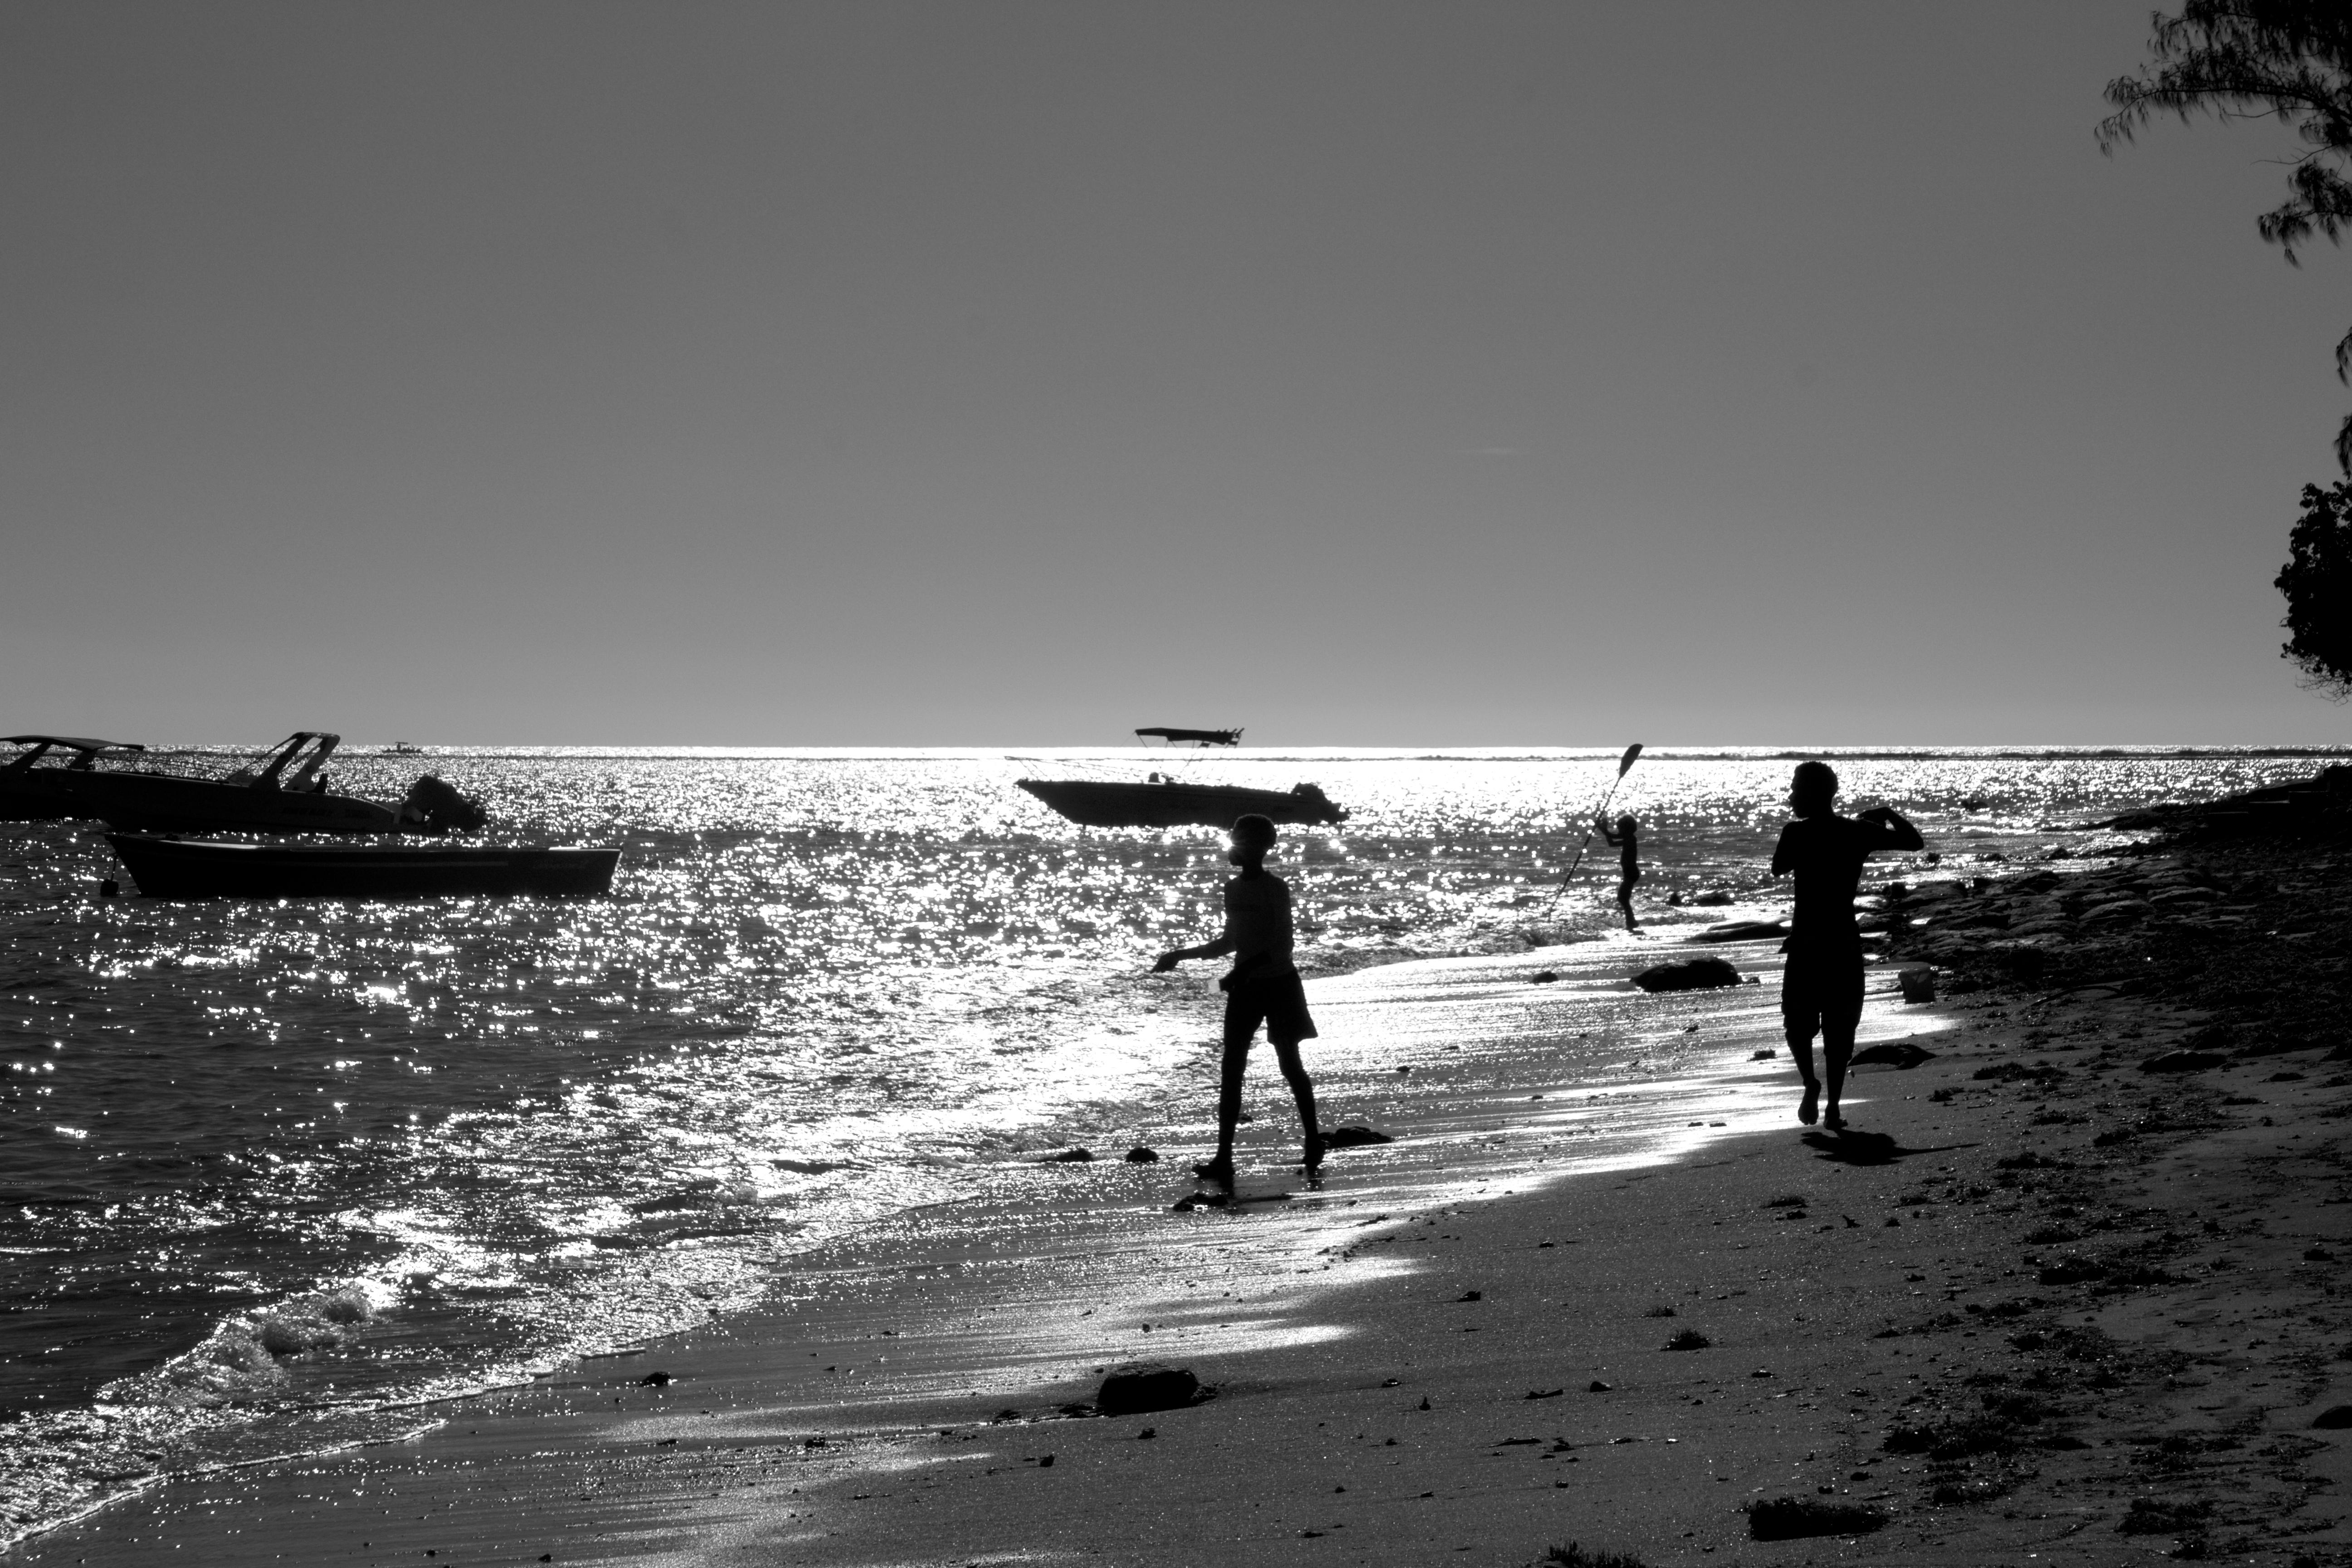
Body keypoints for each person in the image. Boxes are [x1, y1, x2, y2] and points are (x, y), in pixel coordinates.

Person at [1152, 813, 1320, 1186]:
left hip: (1280, 985)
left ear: (1261, 848)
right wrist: (1180, 955)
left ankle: (1313, 1140)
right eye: (1233, 840)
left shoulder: (1275, 889)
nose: (1233, 847)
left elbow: (1281, 946)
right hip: (1244, 987)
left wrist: (1238, 973)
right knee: (1232, 1069)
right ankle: (1223, 1157)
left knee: (1290, 1065)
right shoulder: (1233, 889)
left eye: (1240, 841)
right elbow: (1230, 943)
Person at [1768, 760, 1922, 1131]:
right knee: (1841, 1029)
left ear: (1815, 793)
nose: (1791, 797)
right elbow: (1914, 842)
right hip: (1842, 943)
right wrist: (1885, 814)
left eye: (1796, 789)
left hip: (1806, 944)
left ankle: (1811, 1085)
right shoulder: (1858, 832)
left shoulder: (1795, 833)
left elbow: (1778, 868)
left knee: (1797, 1024)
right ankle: (1833, 1106)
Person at [1597, 812, 1641, 930]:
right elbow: (1611, 843)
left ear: (1628, 829)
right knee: (1623, 898)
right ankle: (1631, 921)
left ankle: (1631, 921)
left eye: (1621, 829)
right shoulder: (1628, 838)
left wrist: (1603, 828)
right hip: (1629, 873)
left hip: (1631, 873)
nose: (1620, 832)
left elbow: (1612, 836)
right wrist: (1604, 829)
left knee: (1622, 898)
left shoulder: (1631, 839)